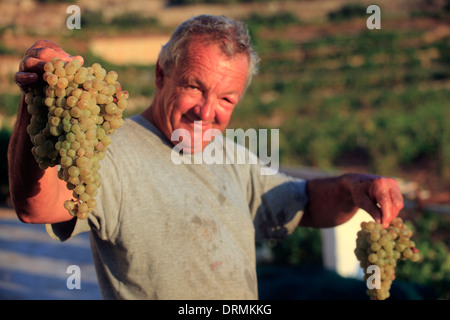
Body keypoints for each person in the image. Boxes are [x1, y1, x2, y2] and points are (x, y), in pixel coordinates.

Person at [8, 15, 404, 299]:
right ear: (163, 75)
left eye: (227, 98)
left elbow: (305, 203)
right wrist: (36, 101)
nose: (207, 111)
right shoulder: (112, 148)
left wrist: (355, 187)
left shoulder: (232, 155)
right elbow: (36, 207)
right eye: (195, 87)